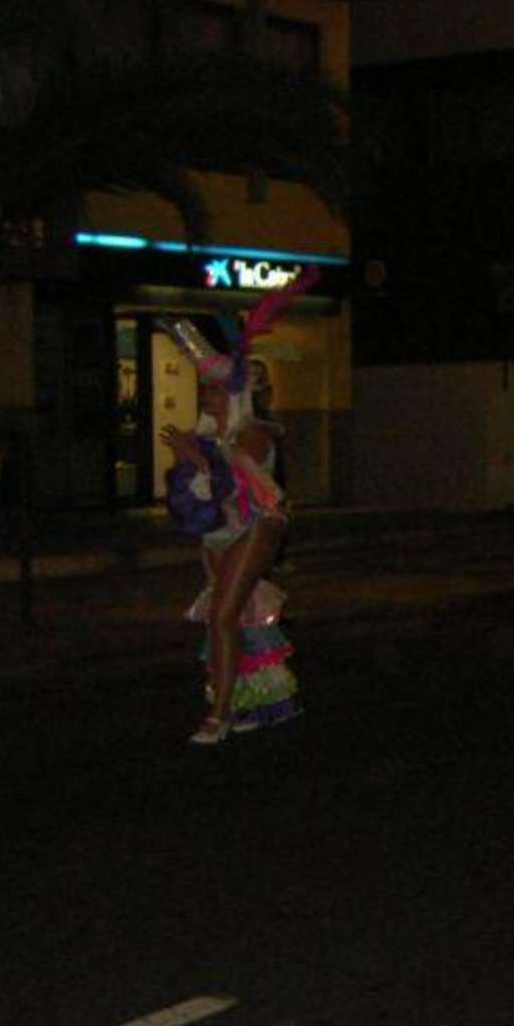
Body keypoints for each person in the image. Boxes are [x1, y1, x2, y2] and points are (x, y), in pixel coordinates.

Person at [157, 304, 304, 746]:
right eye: (206, 389)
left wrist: (195, 457)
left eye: (218, 390)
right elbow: (199, 493)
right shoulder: (208, 437)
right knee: (236, 616)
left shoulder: (252, 433)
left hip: (256, 527)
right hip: (219, 532)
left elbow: (236, 479)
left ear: (237, 395)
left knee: (221, 615)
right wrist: (191, 460)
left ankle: (217, 714)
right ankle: (256, 704)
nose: (209, 396)